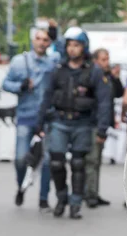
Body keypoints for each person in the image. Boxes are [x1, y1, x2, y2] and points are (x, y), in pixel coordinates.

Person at [36, 27, 112, 219]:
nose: (72, 49)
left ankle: (76, 203)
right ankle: (62, 198)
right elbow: (46, 97)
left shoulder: (93, 72)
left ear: (84, 47)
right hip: (60, 122)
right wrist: (39, 122)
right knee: (56, 163)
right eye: (69, 45)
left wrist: (102, 129)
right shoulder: (58, 70)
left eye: (76, 45)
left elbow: (104, 101)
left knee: (79, 163)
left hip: (83, 123)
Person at [3, 28, 59, 212]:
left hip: (48, 118)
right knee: (20, 159)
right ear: (33, 40)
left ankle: (43, 199)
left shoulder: (54, 62)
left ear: (49, 43)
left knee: (47, 160)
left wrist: (55, 31)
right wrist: (21, 86)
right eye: (38, 38)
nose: (42, 42)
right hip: (26, 117)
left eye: (46, 39)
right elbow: (5, 83)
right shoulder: (19, 61)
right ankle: (21, 186)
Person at [85, 48, 117, 208]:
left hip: (100, 124)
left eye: (108, 59)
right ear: (95, 60)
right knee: (91, 160)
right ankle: (89, 194)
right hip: (94, 123)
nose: (107, 62)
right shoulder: (94, 75)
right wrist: (101, 128)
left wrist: (114, 77)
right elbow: (102, 105)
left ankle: (93, 192)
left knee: (96, 161)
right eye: (104, 59)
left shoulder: (106, 76)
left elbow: (118, 93)